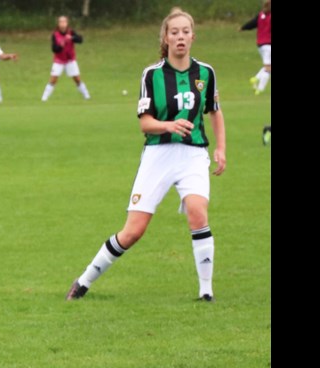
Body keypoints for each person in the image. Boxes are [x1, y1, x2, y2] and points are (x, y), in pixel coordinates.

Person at [65, 8, 226, 302]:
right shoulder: (152, 74)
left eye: (185, 32)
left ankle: (206, 292)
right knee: (133, 231)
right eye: (174, 32)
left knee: (198, 213)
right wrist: (168, 125)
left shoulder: (206, 73)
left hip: (193, 155)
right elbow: (144, 122)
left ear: (193, 36)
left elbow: (215, 112)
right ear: (165, 37)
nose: (180, 37)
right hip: (158, 155)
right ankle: (84, 281)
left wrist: (220, 148)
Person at [41, 15, 90, 101]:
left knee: (77, 79)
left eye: (64, 22)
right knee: (53, 79)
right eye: (61, 22)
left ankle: (86, 96)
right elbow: (54, 49)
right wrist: (60, 46)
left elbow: (80, 40)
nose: (63, 24)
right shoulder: (55, 35)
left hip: (70, 60)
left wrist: (72, 38)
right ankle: (44, 98)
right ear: (58, 24)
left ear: (67, 23)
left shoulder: (71, 32)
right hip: (59, 60)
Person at [240, 1, 271, 95]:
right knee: (268, 68)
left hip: (260, 44)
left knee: (268, 66)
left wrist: (243, 28)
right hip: (268, 44)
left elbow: (252, 23)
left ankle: (257, 80)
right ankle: (259, 87)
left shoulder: (261, 15)